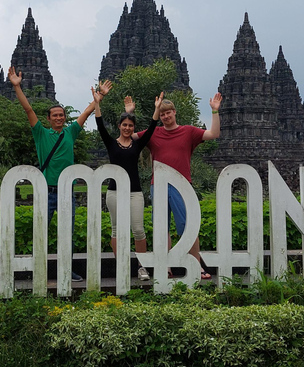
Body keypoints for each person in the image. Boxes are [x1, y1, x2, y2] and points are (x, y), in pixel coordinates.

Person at [8, 65, 95, 282]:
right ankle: (41, 269)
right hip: (46, 191)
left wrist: (99, 97)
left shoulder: (71, 132)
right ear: (48, 119)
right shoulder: (40, 134)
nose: (58, 118)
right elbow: (28, 110)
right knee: (42, 232)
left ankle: (67, 269)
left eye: (61, 115)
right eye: (55, 115)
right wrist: (17, 87)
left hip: (67, 191)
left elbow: (86, 113)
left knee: (68, 233)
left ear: (65, 118)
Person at [129, 92, 222, 279]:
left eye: (168, 113)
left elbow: (214, 134)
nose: (166, 116)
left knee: (188, 226)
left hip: (182, 186)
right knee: (162, 228)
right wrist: (130, 113)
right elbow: (130, 136)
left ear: (174, 112)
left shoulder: (189, 131)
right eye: (162, 114)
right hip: (160, 185)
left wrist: (214, 112)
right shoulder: (154, 133)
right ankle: (166, 267)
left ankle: (197, 265)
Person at [92, 81, 162, 281]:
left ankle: (142, 267)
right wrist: (97, 103)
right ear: (119, 126)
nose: (127, 128)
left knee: (138, 230)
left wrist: (156, 110)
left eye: (130, 126)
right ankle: (121, 264)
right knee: (116, 229)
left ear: (133, 128)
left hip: (134, 192)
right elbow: (99, 124)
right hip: (114, 192)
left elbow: (151, 129)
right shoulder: (111, 143)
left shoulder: (137, 145)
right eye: (124, 125)